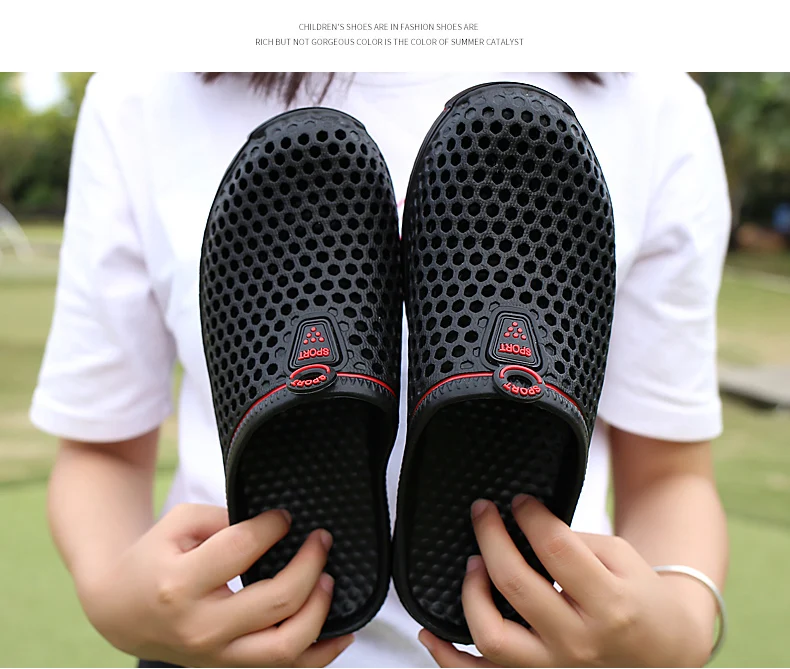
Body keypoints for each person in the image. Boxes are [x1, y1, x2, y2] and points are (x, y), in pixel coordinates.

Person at [31, 71, 730, 667]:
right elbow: (101, 446)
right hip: (223, 643)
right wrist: (112, 594)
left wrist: (679, 628)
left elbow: (668, 474)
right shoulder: (144, 86)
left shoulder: (652, 98)